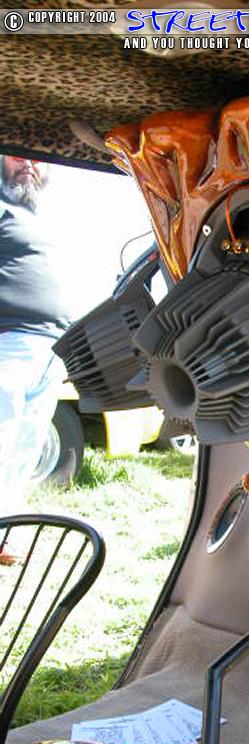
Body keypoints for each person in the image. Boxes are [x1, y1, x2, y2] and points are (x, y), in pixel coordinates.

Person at [0, 155, 70, 562]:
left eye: (37, 159)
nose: (27, 162)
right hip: (8, 341)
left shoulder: (43, 218)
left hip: (51, 349)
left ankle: (2, 532)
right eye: (15, 154)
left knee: (23, 448)